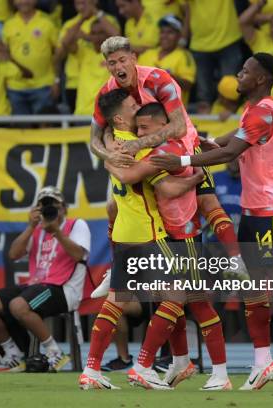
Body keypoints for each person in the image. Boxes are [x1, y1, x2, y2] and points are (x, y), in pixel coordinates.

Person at [150, 52, 273, 390]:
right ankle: (263, 361)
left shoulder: (263, 112)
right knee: (253, 288)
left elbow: (227, 154)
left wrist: (179, 158)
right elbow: (226, 142)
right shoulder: (252, 110)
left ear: (261, 79)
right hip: (254, 210)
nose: (238, 73)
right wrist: (204, 142)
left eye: (246, 70)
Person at [90, 36, 247, 279]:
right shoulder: (108, 92)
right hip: (140, 154)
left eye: (122, 60)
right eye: (112, 63)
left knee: (207, 203)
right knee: (113, 208)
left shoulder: (158, 79)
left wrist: (135, 144)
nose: (118, 67)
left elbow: (178, 127)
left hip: (179, 147)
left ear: (134, 58)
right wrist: (109, 153)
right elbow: (94, 139)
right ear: (106, 66)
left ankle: (235, 260)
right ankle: (118, 272)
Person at [104, 102, 231, 391]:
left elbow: (175, 190)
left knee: (186, 302)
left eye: (146, 129)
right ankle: (182, 362)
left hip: (185, 238)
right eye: (138, 129)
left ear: (165, 126)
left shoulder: (177, 152)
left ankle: (146, 364)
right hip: (164, 236)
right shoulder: (163, 151)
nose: (140, 134)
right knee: (176, 303)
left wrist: (107, 160)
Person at [79, 88, 188, 390]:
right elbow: (163, 186)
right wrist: (196, 175)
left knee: (115, 301)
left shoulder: (112, 144)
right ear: (118, 117)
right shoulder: (134, 149)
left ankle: (91, 370)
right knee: (177, 296)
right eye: (132, 104)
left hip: (125, 231)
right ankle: (142, 364)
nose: (138, 105)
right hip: (147, 231)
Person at [0, 186, 90, 373]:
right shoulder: (37, 229)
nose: (49, 209)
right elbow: (13, 254)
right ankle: (13, 353)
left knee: (18, 306)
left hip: (63, 289)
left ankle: (55, 352)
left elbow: (79, 255)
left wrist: (57, 232)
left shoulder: (76, 225)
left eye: (54, 204)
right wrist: (31, 226)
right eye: (44, 205)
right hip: (36, 285)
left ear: (64, 208)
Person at [58, 0, 120, 112]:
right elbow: (65, 43)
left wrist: (95, 12)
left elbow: (117, 36)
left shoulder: (113, 54)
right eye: (78, 3)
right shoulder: (84, 52)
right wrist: (82, 18)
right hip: (81, 108)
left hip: (104, 113)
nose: (81, 6)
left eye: (85, 2)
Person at [182, 0, 244, 112]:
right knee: (203, 98)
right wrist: (183, 38)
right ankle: (204, 128)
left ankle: (231, 121)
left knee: (230, 91)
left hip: (228, 39)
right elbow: (187, 9)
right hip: (200, 43)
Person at [1, 0, 59, 115]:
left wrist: (56, 80)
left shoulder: (47, 22)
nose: (24, 2)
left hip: (43, 85)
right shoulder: (8, 24)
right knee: (21, 130)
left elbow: (57, 54)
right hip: (15, 86)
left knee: (44, 128)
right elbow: (4, 55)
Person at [137, 15, 196, 108]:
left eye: (170, 32)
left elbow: (188, 85)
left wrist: (165, 76)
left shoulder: (184, 55)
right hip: (146, 111)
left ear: (179, 36)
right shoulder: (147, 54)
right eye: (162, 32)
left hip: (173, 112)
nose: (165, 36)